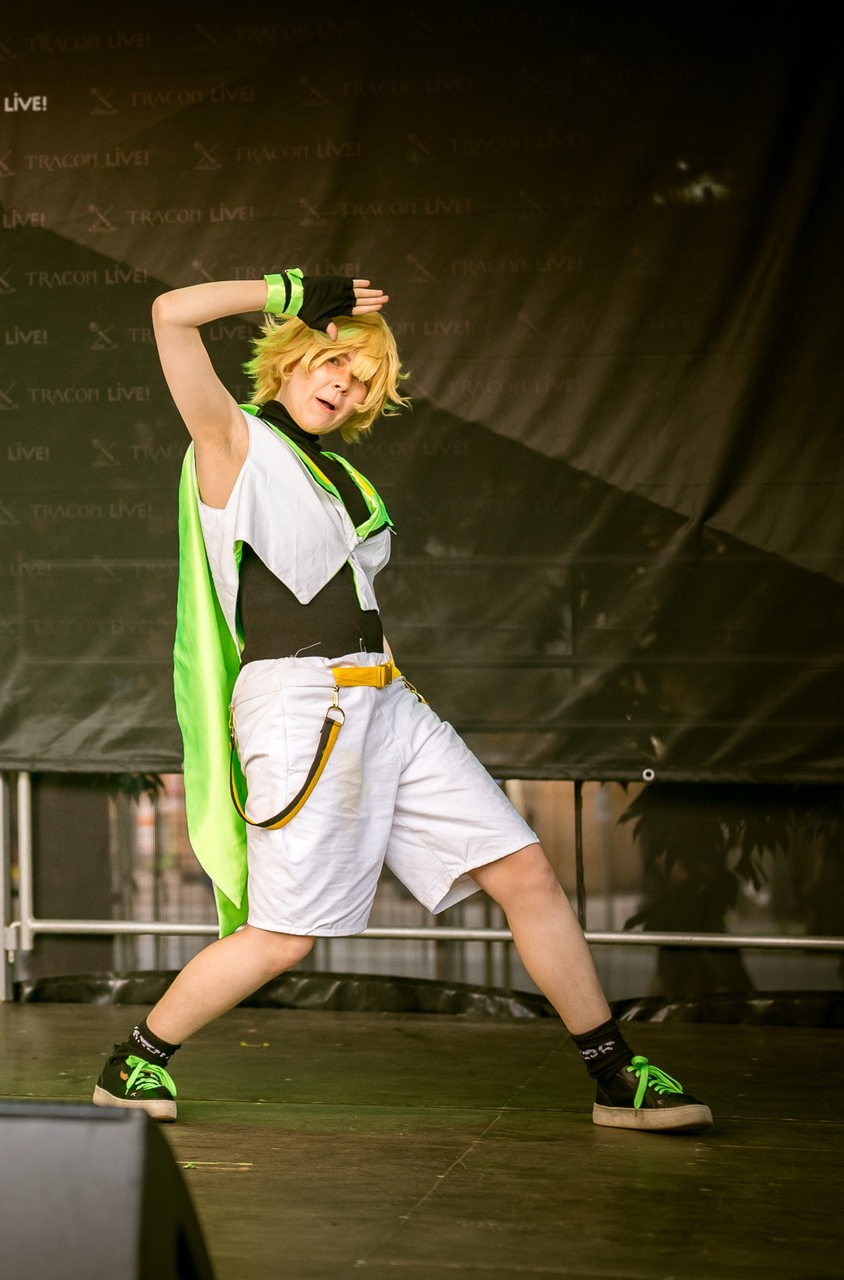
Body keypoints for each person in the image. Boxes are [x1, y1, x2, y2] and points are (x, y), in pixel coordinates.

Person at [89, 269, 711, 1134]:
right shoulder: (234, 442)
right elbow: (170, 315)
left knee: (526, 871)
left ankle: (615, 1076)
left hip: (387, 700)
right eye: (334, 364)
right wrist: (288, 289)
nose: (345, 387)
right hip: (302, 707)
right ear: (293, 357)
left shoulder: (344, 479)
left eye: (363, 382)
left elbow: (357, 601)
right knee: (284, 938)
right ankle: (135, 1062)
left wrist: (393, 690)